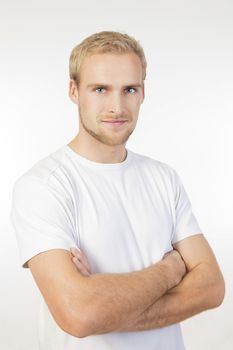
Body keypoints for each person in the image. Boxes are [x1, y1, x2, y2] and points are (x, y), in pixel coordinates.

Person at [10, 31, 225, 350]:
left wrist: (105, 306)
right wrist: (170, 270)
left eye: (129, 89)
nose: (116, 106)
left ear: (142, 93)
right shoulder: (43, 185)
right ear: (74, 90)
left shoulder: (163, 178)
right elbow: (79, 315)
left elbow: (212, 287)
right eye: (100, 89)